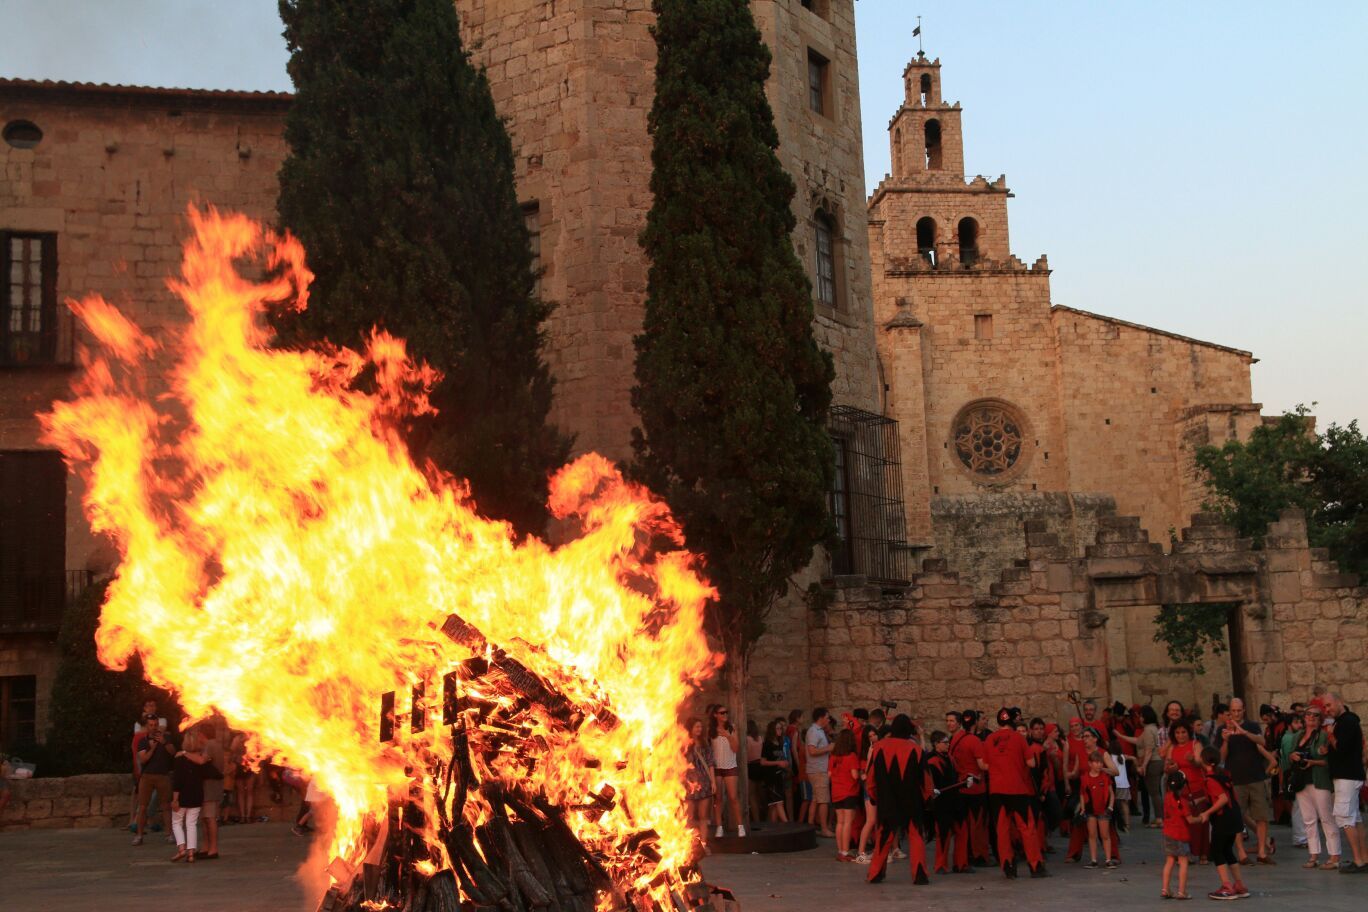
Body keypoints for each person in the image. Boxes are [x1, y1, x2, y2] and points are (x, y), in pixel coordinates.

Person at [981, 707, 1048, 878]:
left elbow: (984, 765)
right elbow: (1031, 763)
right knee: (1027, 828)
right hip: (1017, 788)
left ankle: (1008, 866)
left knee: (1002, 830)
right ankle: (1035, 866)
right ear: (1012, 721)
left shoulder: (989, 739)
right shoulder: (1019, 738)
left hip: (996, 790)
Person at [865, 714, 930, 885]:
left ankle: (875, 873)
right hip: (912, 800)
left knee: (883, 836)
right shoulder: (916, 750)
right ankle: (920, 875)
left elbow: (870, 777)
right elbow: (926, 779)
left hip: (887, 800)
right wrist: (928, 798)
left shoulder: (878, 747)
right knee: (915, 836)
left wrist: (873, 797)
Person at [1216, 697, 1278, 864]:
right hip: (1236, 780)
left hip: (1256, 777)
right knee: (1238, 818)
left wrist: (1244, 733)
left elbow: (1262, 742)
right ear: (1230, 711)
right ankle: (1242, 853)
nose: (1236, 714)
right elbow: (1221, 757)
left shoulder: (1252, 726)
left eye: (1239, 710)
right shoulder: (1222, 729)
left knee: (1261, 816)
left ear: (1244, 710)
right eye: (1233, 711)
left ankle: (1262, 852)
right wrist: (1225, 740)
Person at [1285, 704, 1339, 869]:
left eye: (1315, 715)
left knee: (1326, 818)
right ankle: (1313, 855)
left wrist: (1312, 762)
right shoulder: (1298, 735)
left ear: (1320, 719)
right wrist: (1293, 756)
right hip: (1301, 781)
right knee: (1308, 819)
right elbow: (1289, 756)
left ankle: (1334, 856)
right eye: (1308, 714)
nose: (1311, 717)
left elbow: (1328, 762)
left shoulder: (1324, 736)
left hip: (1319, 780)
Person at [1194, 745, 1248, 899]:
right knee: (1227, 851)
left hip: (1223, 819)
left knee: (1217, 851)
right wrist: (1201, 799)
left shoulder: (1210, 779)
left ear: (1204, 760)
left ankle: (1227, 886)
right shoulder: (1223, 774)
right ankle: (1239, 885)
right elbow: (1224, 794)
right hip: (1234, 816)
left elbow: (1222, 799)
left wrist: (1207, 812)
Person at [1323, 692, 1367, 872]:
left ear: (1339, 702)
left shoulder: (1347, 722)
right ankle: (1363, 858)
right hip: (1349, 775)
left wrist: (1331, 736)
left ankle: (1358, 860)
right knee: (1355, 818)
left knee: (1345, 817)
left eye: (1329, 705)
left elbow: (1342, 747)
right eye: (1325, 707)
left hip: (1347, 777)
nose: (1327, 709)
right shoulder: (1344, 722)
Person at [1163, 719, 1209, 864]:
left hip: (1196, 787)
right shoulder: (1172, 747)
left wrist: (1192, 760)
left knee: (1199, 822)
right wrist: (1170, 768)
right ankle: (1184, 853)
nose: (1180, 735)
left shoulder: (1196, 744)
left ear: (1188, 732)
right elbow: (1166, 767)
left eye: (1183, 732)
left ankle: (1202, 853)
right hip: (1179, 790)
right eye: (1177, 733)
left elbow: (1200, 763)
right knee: (1183, 822)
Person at [947, 710, 988, 868]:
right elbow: (982, 765)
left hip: (960, 786)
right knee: (977, 825)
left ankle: (965, 856)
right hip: (976, 788)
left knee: (963, 826)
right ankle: (978, 855)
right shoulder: (974, 741)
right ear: (975, 722)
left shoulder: (955, 739)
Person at [132, 718, 176, 846]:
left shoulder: (166, 738)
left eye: (156, 724)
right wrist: (152, 748)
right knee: (142, 807)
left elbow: (173, 752)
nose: (154, 727)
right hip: (147, 777)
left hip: (163, 775)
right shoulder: (143, 741)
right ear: (147, 726)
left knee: (166, 806)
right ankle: (139, 835)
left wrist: (164, 742)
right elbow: (143, 759)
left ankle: (169, 834)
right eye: (151, 725)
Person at [924, 731, 961, 874]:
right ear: (936, 744)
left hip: (953, 800)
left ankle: (959, 864)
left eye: (948, 742)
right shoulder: (931, 760)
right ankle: (940, 865)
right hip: (941, 804)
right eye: (945, 742)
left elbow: (955, 776)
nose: (948, 745)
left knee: (958, 831)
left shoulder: (950, 758)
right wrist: (932, 791)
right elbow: (927, 781)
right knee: (943, 834)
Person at [170, 730, 206, 863]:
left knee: (176, 822)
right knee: (191, 824)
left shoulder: (180, 758)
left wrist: (175, 799)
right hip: (196, 794)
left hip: (183, 795)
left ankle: (181, 849)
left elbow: (177, 781)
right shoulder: (200, 758)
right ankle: (191, 853)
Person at [709, 705, 743, 838]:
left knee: (733, 797)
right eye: (722, 713)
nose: (725, 715)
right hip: (717, 767)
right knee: (718, 799)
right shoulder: (711, 730)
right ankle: (719, 827)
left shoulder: (731, 728)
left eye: (726, 712)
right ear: (715, 715)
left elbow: (736, 748)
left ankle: (740, 826)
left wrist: (728, 736)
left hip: (730, 766)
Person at [830, 729, 862, 861]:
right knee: (848, 822)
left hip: (836, 792)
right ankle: (845, 851)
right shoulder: (851, 756)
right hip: (849, 791)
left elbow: (829, 774)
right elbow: (855, 775)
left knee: (840, 822)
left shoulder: (833, 756)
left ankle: (840, 851)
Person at [1079, 752, 1114, 869]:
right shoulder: (1084, 778)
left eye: (1100, 763)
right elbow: (1082, 794)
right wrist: (1083, 808)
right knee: (1092, 835)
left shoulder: (1105, 777)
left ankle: (1108, 860)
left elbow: (1111, 793)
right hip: (1090, 810)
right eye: (1096, 762)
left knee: (1105, 835)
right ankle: (1093, 860)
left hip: (1103, 810)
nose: (1099, 765)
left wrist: (1110, 807)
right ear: (1090, 764)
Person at [683, 717, 714, 846]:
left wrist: (713, 782)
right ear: (690, 728)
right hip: (689, 783)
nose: (699, 729)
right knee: (689, 816)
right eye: (697, 726)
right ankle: (688, 846)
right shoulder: (684, 744)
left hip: (704, 783)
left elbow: (710, 764)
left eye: (700, 727)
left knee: (703, 816)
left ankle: (704, 843)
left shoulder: (705, 744)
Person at [805, 707, 834, 838]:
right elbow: (812, 751)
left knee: (816, 799)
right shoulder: (814, 731)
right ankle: (824, 829)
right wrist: (828, 748)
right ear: (821, 718)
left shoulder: (819, 731)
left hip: (817, 769)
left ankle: (810, 826)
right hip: (818, 770)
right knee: (823, 800)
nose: (828, 720)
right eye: (827, 717)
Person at [759, 719, 790, 822]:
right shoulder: (767, 744)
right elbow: (763, 762)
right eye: (777, 728)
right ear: (772, 730)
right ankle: (787, 825)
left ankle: (773, 827)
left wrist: (784, 763)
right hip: (771, 777)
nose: (780, 730)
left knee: (773, 805)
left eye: (781, 728)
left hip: (779, 776)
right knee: (779, 802)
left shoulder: (779, 743)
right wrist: (778, 763)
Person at [1139, 706, 1162, 827]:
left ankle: (1159, 818)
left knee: (1154, 792)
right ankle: (1160, 817)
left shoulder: (1148, 729)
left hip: (1153, 762)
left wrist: (1143, 765)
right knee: (1157, 792)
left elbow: (1149, 749)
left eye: (1141, 716)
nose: (1139, 718)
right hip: (1158, 761)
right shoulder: (1154, 728)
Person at [786, 709, 809, 825]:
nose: (803, 719)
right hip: (795, 762)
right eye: (802, 717)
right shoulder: (794, 730)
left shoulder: (788, 729)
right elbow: (794, 748)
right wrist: (798, 763)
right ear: (797, 718)